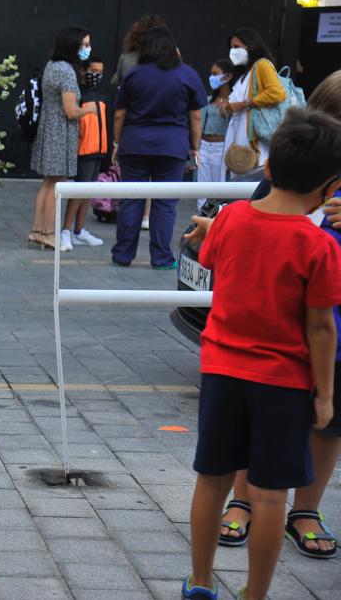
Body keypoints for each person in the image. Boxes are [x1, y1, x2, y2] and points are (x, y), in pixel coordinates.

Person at [182, 107, 341, 600]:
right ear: (331, 186)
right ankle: (254, 593)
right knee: (271, 495)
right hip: (284, 382)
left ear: (267, 168)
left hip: (221, 371)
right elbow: (320, 327)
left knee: (212, 481)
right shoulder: (320, 247)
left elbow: (210, 257)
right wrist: (325, 394)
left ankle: (202, 582)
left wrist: (212, 229)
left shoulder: (228, 219)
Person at [111, 26, 206, 268]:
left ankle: (123, 255)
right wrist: (194, 148)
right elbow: (195, 117)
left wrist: (117, 143)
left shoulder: (134, 74)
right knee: (165, 203)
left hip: (134, 144)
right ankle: (162, 257)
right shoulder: (188, 74)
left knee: (131, 200)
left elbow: (120, 114)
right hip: (172, 147)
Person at [28, 26, 99, 250]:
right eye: (84, 45)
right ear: (73, 45)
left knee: (47, 183)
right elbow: (70, 110)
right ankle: (49, 234)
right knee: (56, 185)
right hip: (60, 134)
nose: (87, 49)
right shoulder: (67, 71)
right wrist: (89, 110)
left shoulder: (52, 66)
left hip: (48, 130)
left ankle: (37, 232)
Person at [111, 15, 165, 229]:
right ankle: (147, 216)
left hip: (132, 123)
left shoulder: (127, 58)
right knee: (157, 178)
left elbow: (116, 82)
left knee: (132, 178)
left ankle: (126, 236)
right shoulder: (169, 58)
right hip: (161, 123)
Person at [59, 55, 107, 250]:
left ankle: (79, 230)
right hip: (84, 148)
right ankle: (65, 231)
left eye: (100, 72)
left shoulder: (102, 95)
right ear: (83, 71)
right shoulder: (78, 93)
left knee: (88, 191)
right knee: (79, 189)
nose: (96, 75)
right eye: (93, 71)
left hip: (99, 148)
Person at [223, 27, 285, 172]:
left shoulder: (262, 65)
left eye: (237, 47)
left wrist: (244, 104)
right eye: (231, 47)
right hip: (240, 138)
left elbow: (277, 93)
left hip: (253, 141)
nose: (233, 51)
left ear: (250, 46)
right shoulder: (245, 72)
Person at [196, 59, 234, 209]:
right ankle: (201, 216)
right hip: (205, 145)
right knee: (201, 187)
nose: (211, 77)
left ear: (227, 77)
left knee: (219, 186)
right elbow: (199, 122)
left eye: (215, 74)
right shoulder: (209, 100)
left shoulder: (234, 100)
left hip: (221, 147)